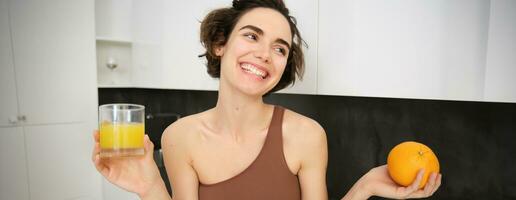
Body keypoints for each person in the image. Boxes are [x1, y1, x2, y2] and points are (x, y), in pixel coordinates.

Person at [92, 0, 442, 199]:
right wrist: (150, 186)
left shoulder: (305, 136)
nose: (264, 54)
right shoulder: (179, 137)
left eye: (279, 48)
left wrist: (364, 187)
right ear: (219, 44)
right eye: (251, 36)